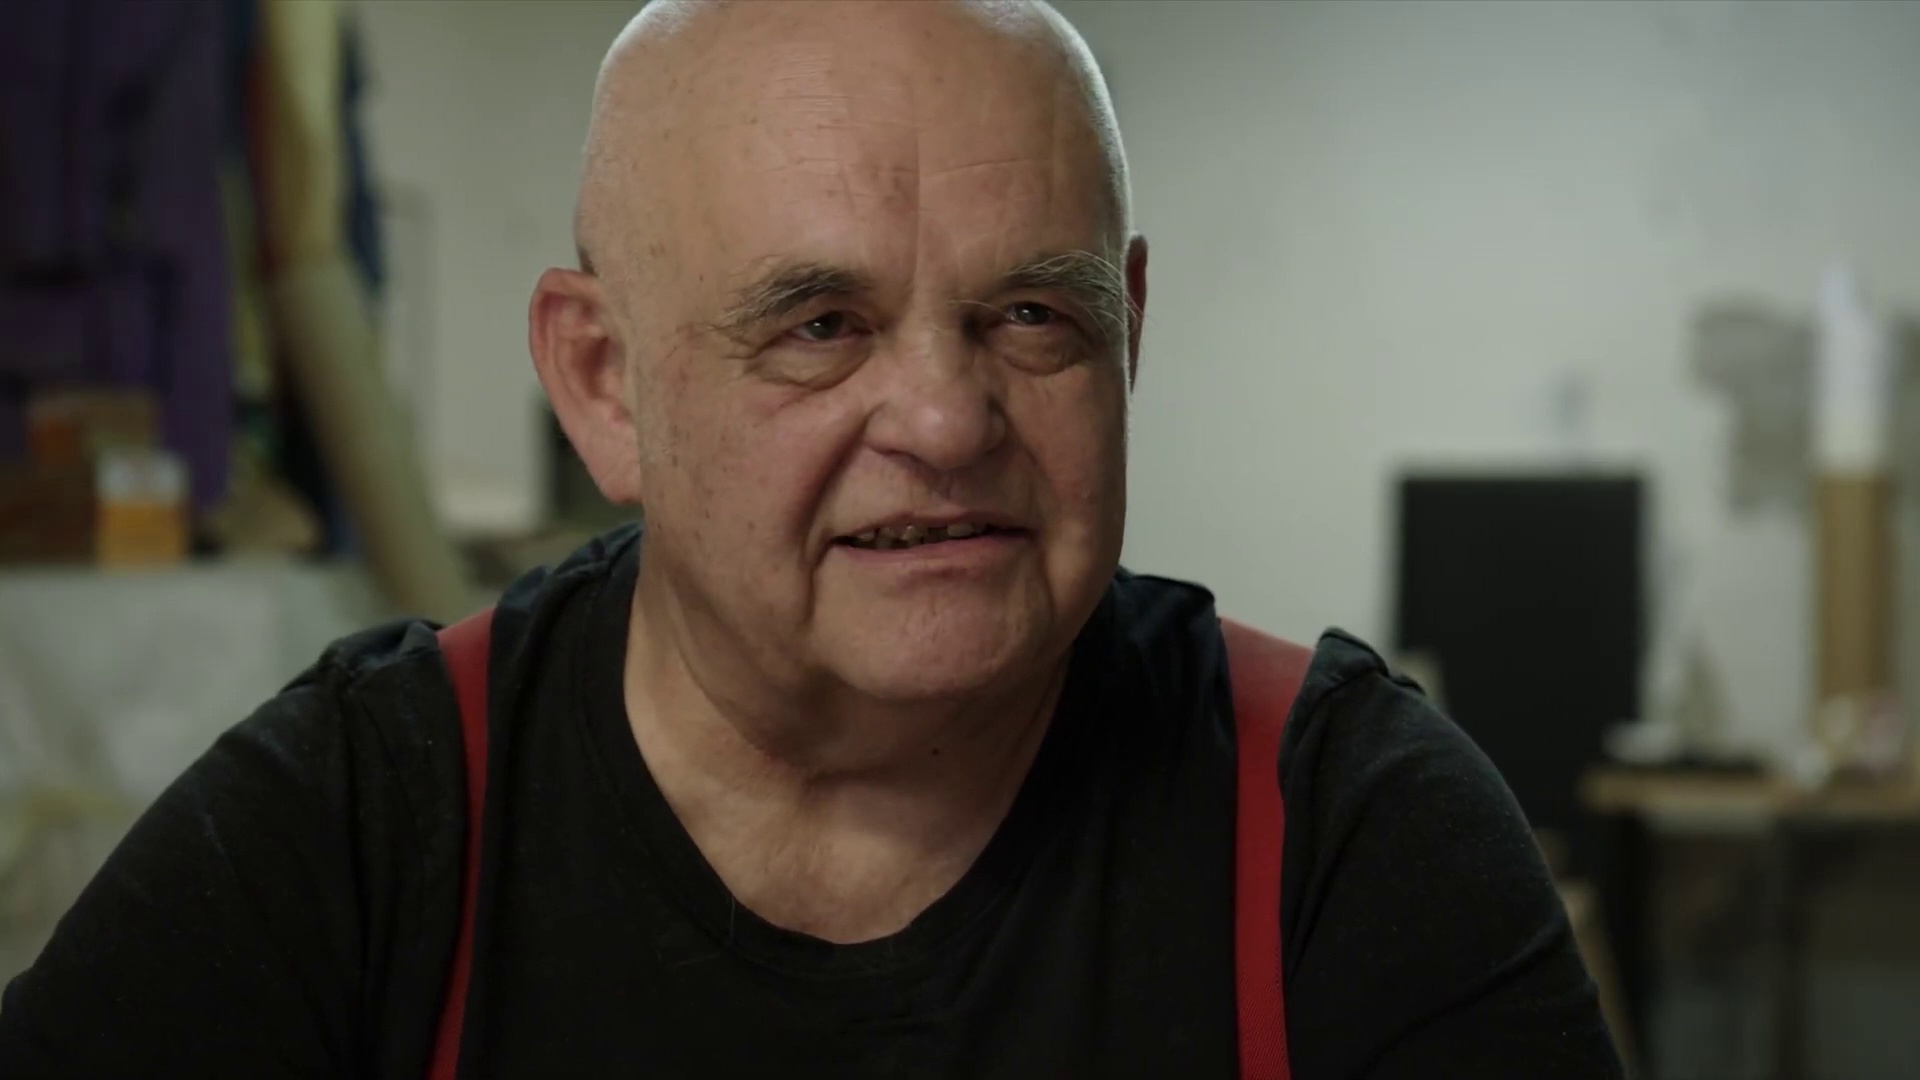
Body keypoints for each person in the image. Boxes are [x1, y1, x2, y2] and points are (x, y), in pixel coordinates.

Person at [0, 2, 1622, 1076]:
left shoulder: (1345, 843)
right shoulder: (359, 837)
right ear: (605, 382)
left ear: (1128, 331)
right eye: (821, 325)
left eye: (1031, 314)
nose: (949, 419)